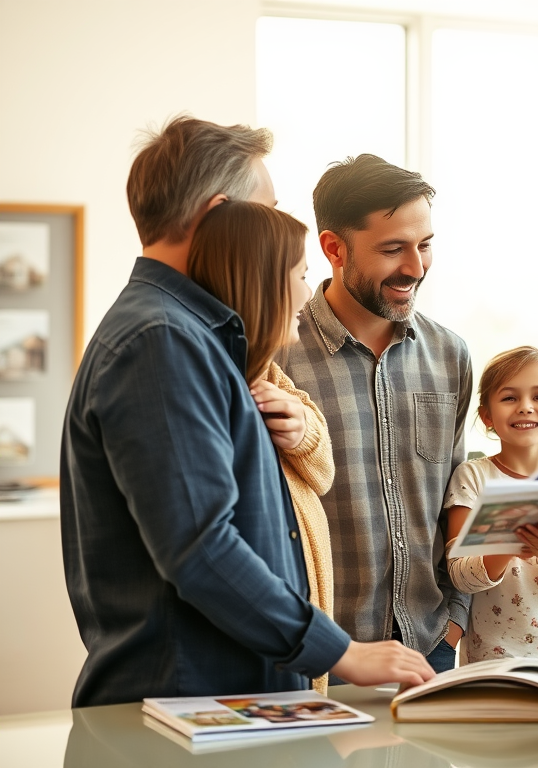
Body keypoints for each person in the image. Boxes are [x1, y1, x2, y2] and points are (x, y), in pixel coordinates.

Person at [60, 118, 433, 708]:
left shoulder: (201, 336)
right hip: (188, 707)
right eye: (270, 211)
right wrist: (340, 652)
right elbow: (201, 547)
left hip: (235, 701)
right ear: (220, 215)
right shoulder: (160, 340)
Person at [283, 154, 473, 673]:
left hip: (431, 647)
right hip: (320, 657)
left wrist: (456, 616)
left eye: (425, 245)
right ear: (333, 248)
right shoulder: (275, 355)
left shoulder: (450, 355)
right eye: (393, 249)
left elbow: (460, 494)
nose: (415, 267)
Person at [187, 199, 335, 695]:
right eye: (301, 275)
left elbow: (323, 474)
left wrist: (305, 432)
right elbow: (206, 543)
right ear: (267, 284)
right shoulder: (216, 383)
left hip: (296, 667)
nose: (307, 293)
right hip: (258, 664)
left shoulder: (269, 373)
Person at [444, 346, 538, 663]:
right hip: (491, 659)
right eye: (509, 398)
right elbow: (459, 577)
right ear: (487, 415)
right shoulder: (472, 477)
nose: (525, 407)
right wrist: (507, 544)